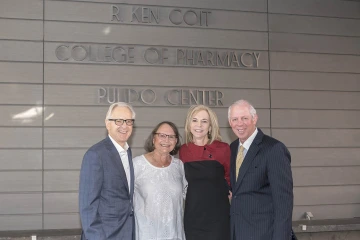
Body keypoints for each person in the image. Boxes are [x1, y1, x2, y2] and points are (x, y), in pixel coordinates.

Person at [228, 99, 293, 240]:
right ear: (230, 123)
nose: (240, 123)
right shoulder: (232, 148)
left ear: (254, 119)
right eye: (235, 119)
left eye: (244, 118)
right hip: (237, 232)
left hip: (264, 234)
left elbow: (283, 203)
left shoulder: (274, 149)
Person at [79, 102, 136, 240]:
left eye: (128, 121)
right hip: (104, 235)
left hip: (126, 233)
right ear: (107, 123)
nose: (124, 126)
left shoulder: (127, 152)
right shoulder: (95, 155)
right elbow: (87, 207)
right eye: (118, 121)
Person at [179, 105, 230, 240]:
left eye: (204, 121)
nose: (199, 125)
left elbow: (231, 179)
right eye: (194, 120)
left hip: (218, 218)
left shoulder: (223, 149)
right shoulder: (183, 150)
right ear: (189, 124)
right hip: (193, 216)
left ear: (210, 126)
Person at [133, 121, 187, 240]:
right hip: (146, 235)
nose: (166, 140)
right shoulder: (137, 165)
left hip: (175, 235)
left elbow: (187, 197)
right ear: (153, 139)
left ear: (176, 141)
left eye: (171, 137)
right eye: (162, 135)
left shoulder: (179, 166)